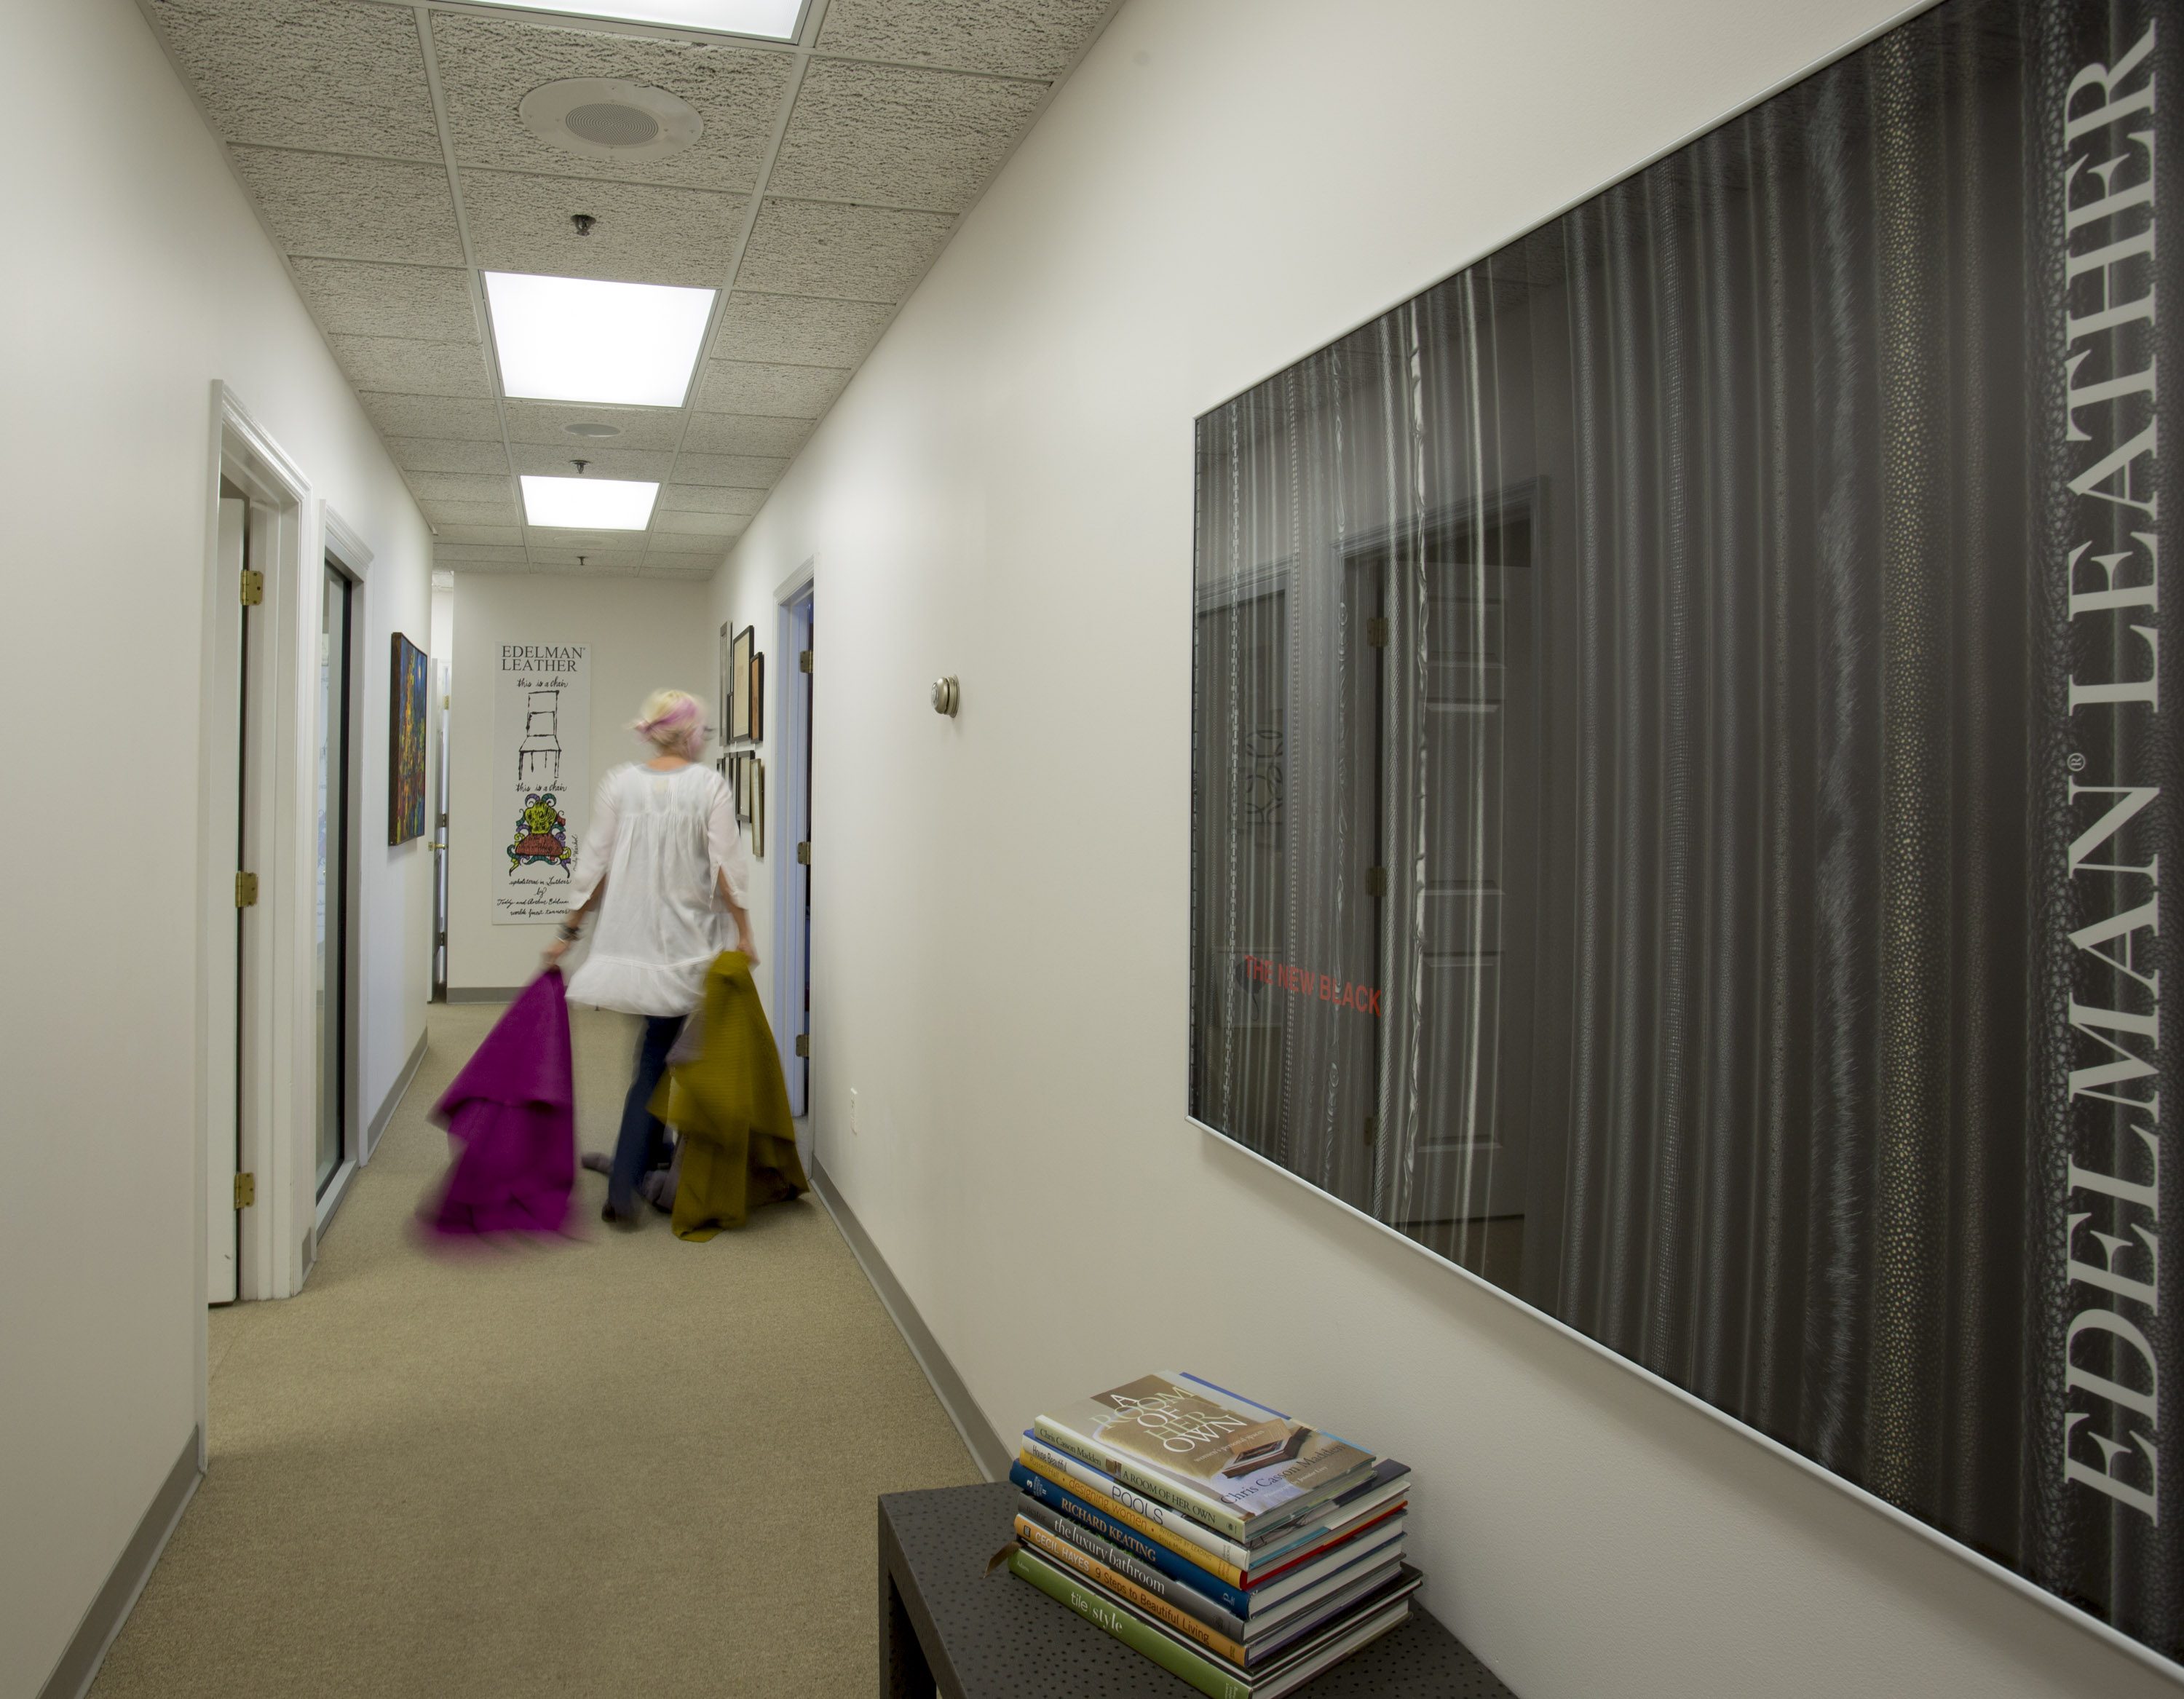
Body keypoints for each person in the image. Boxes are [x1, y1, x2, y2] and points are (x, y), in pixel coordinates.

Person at [547, 689, 754, 1226]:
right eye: (703, 731)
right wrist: (745, 931)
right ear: (688, 734)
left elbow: (594, 865)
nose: (704, 740)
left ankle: (648, 1153)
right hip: (689, 950)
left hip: (633, 951)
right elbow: (727, 868)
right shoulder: (708, 786)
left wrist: (570, 931)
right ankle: (626, 1182)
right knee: (663, 1059)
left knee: (657, 1051)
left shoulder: (620, 784)